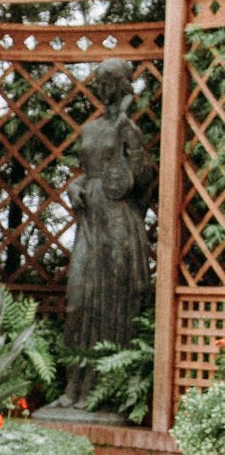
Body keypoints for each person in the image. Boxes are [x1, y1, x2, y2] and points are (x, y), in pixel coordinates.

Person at [58, 58, 154, 409]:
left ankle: (106, 392)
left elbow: (142, 182)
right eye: (99, 82)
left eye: (109, 82)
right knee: (78, 300)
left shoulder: (130, 129)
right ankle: (74, 386)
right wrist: (75, 186)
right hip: (90, 220)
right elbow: (89, 172)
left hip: (118, 222)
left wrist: (128, 136)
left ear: (123, 85)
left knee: (115, 302)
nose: (103, 89)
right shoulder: (90, 129)